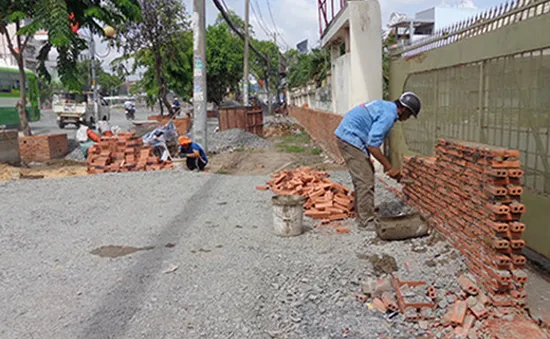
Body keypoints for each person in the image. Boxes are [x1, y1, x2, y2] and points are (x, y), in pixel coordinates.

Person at [334, 92, 421, 229]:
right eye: (409, 115)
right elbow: (373, 146)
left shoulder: (386, 106)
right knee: (365, 179)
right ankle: (366, 221)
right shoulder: (388, 115)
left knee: (366, 174)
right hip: (350, 138)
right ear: (403, 109)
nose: (408, 118)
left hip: (351, 136)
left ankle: (361, 215)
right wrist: (389, 167)